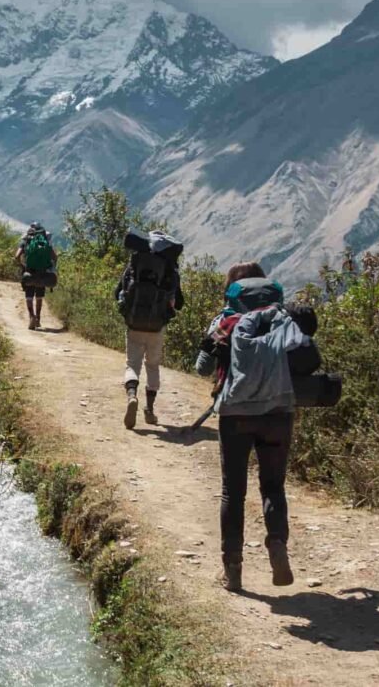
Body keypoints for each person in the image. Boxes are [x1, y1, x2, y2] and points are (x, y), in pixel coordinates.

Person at [196, 262, 309, 593]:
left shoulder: (224, 322)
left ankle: (232, 570)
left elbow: (202, 368)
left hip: (236, 416)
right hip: (279, 412)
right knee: (273, 487)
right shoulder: (283, 319)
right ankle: (277, 545)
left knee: (234, 490)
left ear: (233, 290)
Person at [114, 231, 185, 428]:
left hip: (134, 323)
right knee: (152, 366)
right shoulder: (170, 270)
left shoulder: (135, 263)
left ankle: (131, 396)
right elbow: (179, 303)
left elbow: (117, 292)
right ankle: (150, 410)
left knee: (132, 364)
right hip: (157, 326)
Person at [14, 222, 57, 330]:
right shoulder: (45, 241)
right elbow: (55, 257)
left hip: (29, 272)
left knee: (29, 297)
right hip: (43, 272)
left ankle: (31, 316)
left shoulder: (26, 240)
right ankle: (38, 318)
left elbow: (16, 256)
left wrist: (22, 266)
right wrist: (51, 267)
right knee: (39, 297)